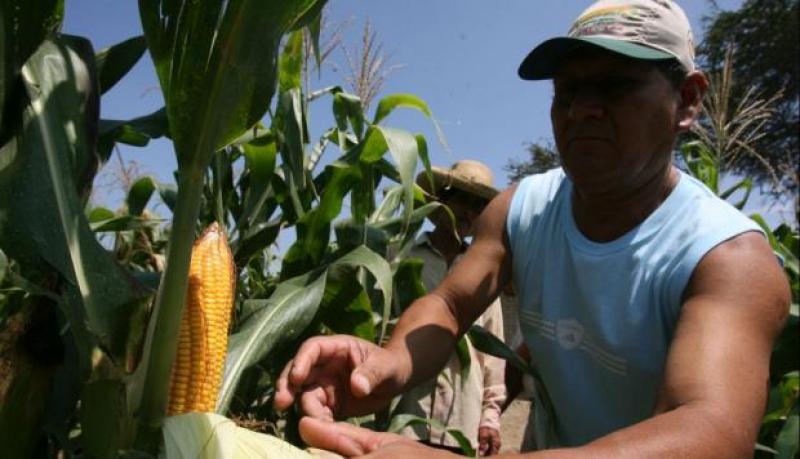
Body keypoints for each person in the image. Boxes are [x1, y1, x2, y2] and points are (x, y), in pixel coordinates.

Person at [275, 0, 790, 457]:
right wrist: (387, 366)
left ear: (688, 100)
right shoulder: (522, 210)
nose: (582, 110)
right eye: (568, 91)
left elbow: (710, 432)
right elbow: (450, 305)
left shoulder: (725, 256)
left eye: (616, 86)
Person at [394, 160, 505, 456]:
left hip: (461, 423)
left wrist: (490, 418)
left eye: (478, 206)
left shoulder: (485, 273)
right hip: (404, 416)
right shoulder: (403, 259)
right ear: (441, 200)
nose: (468, 212)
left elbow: (494, 353)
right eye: (462, 200)